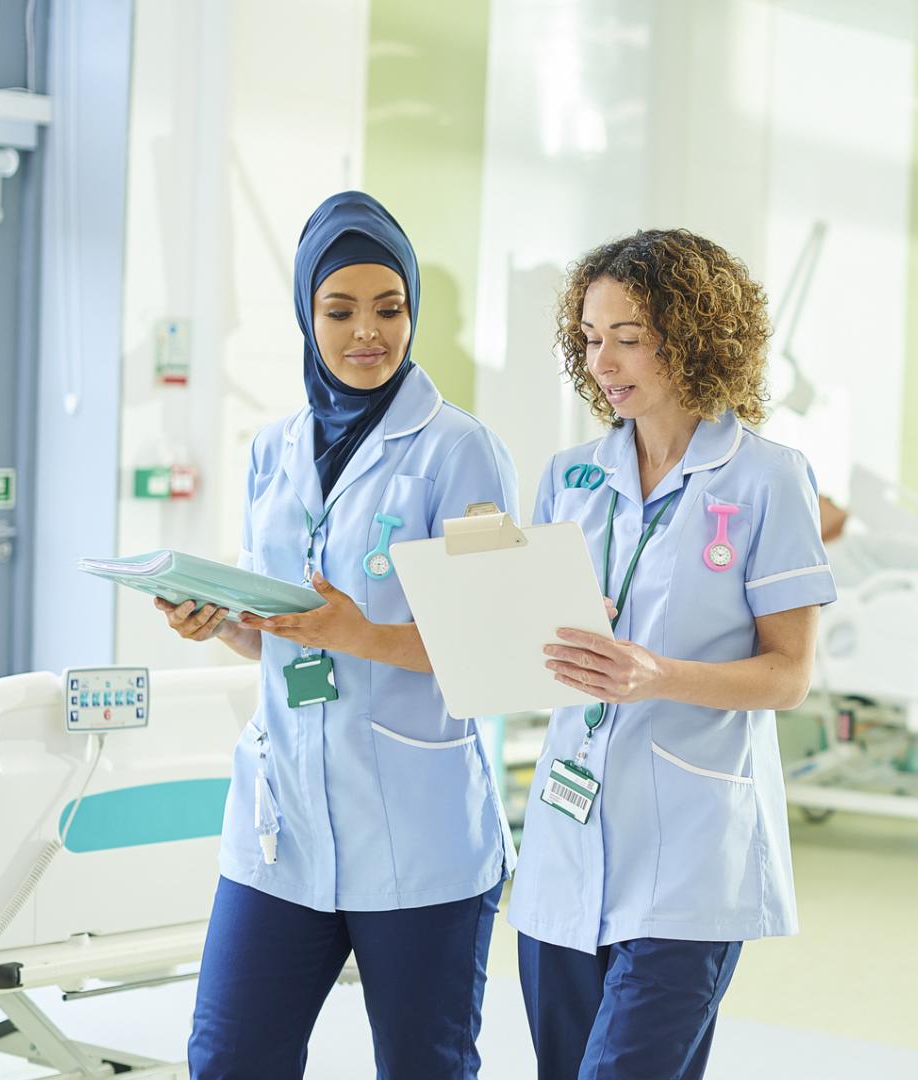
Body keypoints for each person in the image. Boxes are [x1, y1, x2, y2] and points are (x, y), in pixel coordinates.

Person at [160, 191, 517, 1079]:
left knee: (422, 1066)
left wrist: (359, 632)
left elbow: (501, 651)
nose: (368, 333)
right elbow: (286, 630)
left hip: (417, 833)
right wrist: (224, 625)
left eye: (390, 309)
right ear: (305, 315)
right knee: (228, 1057)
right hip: (282, 831)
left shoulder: (460, 451)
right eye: (340, 309)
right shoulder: (272, 450)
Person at [509, 229, 835, 1080]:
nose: (605, 360)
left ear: (692, 335)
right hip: (564, 844)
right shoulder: (569, 476)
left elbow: (788, 674)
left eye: (630, 335)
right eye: (589, 337)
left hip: (689, 857)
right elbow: (536, 645)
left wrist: (658, 675)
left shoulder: (766, 478)